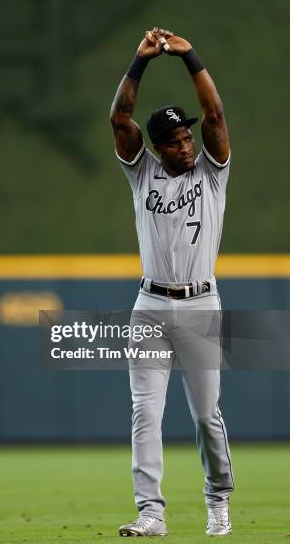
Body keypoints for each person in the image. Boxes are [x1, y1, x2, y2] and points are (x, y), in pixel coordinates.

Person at [109, 27, 234, 537]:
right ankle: (151, 514)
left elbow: (216, 117)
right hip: (150, 306)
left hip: (202, 305)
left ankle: (218, 500)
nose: (185, 144)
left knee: (206, 417)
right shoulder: (143, 173)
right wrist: (138, 63)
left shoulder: (212, 170)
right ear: (156, 147)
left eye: (186, 136)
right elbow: (119, 118)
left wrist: (190, 57)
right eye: (174, 140)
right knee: (146, 414)